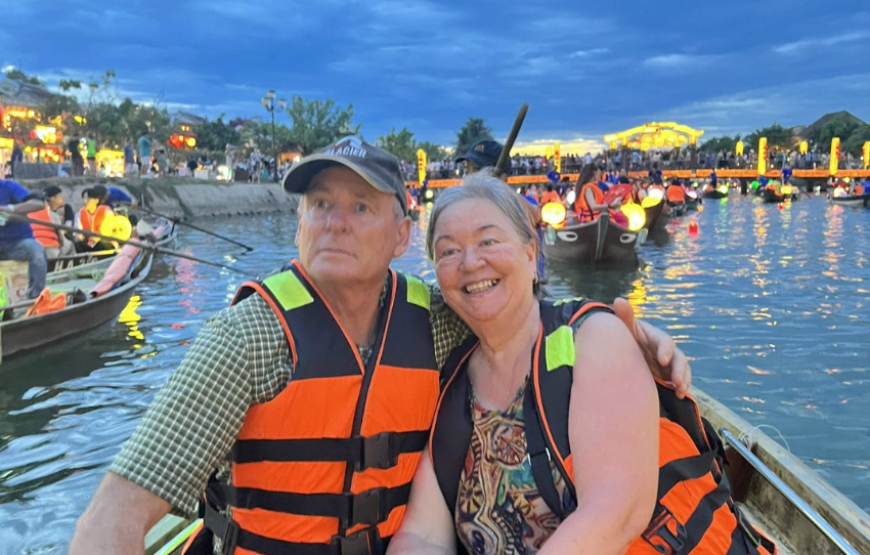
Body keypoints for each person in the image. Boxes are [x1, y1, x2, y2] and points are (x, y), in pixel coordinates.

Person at [69, 139, 689, 555]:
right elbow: (119, 510)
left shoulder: (437, 322)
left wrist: (626, 332)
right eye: (319, 205)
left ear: (398, 237)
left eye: (360, 206)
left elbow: (519, 317)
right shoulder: (250, 337)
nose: (335, 221)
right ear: (299, 224)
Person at [389, 175, 774, 555]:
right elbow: (423, 536)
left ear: (530, 253)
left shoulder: (593, 338)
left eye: (488, 241)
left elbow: (613, 514)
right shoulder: (454, 380)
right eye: (448, 251)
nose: (470, 262)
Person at [0, 179, 48, 298]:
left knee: (37, 251)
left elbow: (38, 204)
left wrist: (11, 209)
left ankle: (35, 297)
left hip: (17, 243)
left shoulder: (8, 187)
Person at [28, 185, 75, 258]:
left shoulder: (24, 215)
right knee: (70, 244)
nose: (62, 197)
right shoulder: (52, 215)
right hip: (51, 249)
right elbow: (61, 238)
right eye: (60, 196)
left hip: (31, 250)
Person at [75, 185, 115, 250]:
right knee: (77, 244)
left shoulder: (106, 211)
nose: (85, 202)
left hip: (104, 243)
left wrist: (97, 238)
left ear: (96, 201)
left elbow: (111, 230)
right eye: (84, 199)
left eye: (88, 199)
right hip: (88, 243)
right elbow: (78, 230)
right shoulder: (80, 213)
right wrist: (79, 236)